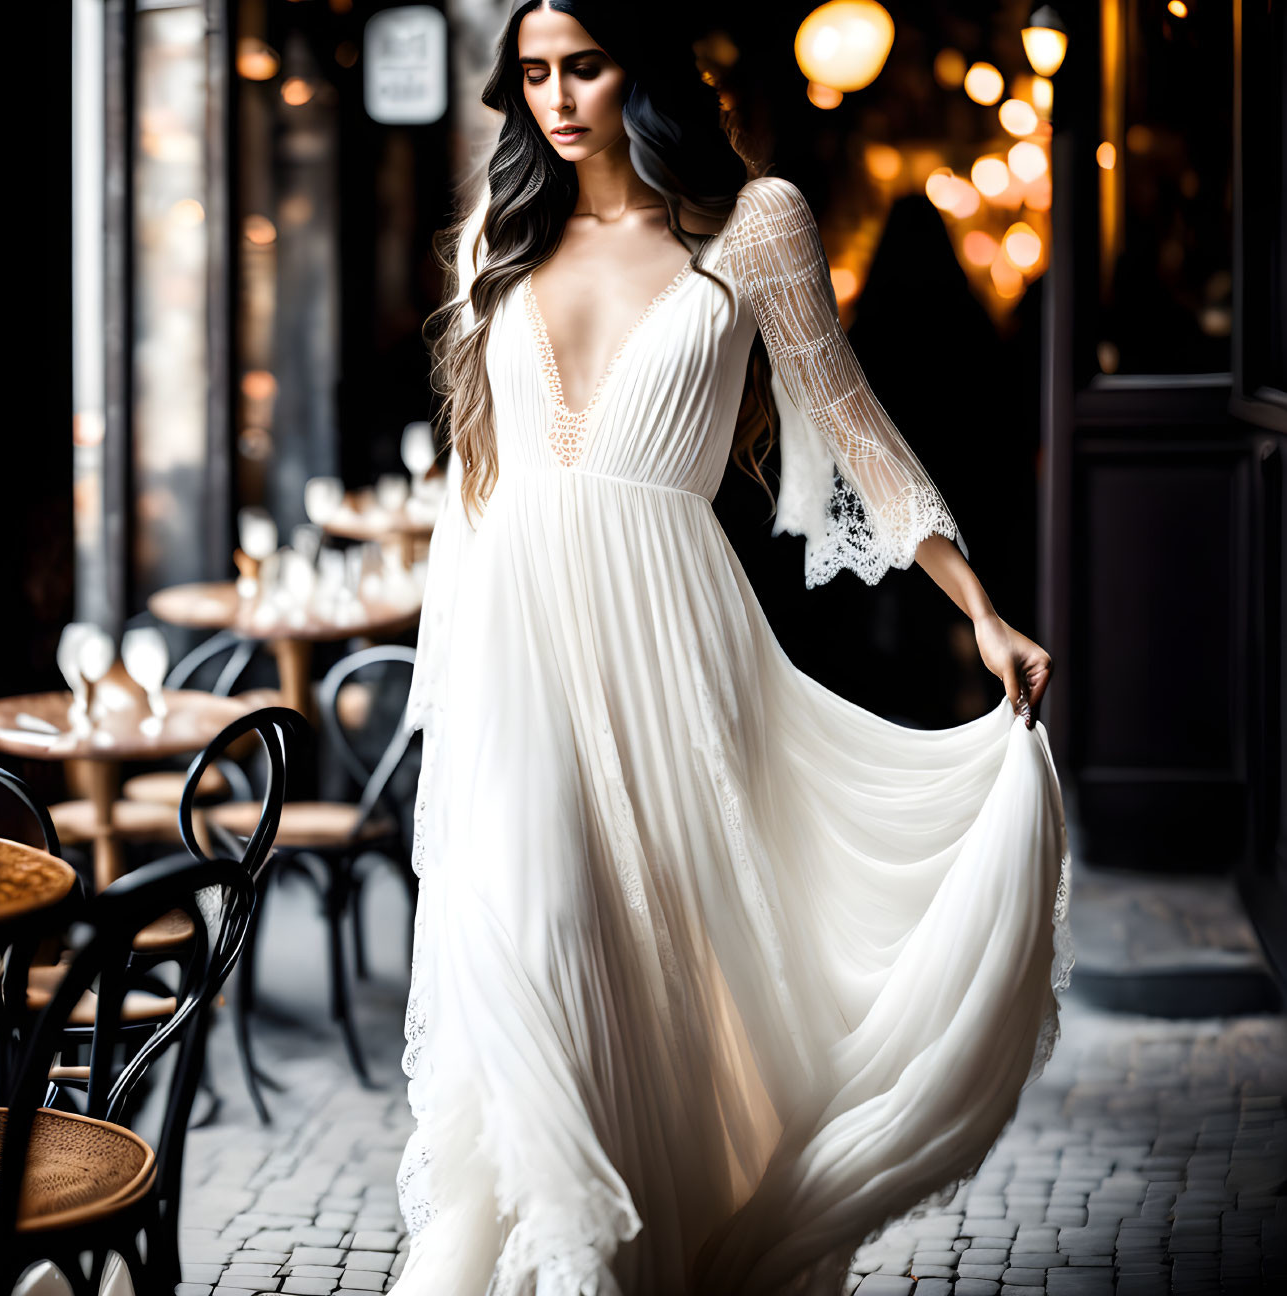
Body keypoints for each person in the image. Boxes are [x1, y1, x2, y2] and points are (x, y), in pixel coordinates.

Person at [393, 3, 1073, 1293]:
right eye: (532, 72)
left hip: (670, 647)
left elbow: (854, 424)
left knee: (663, 971)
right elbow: (471, 489)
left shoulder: (753, 225)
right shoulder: (496, 234)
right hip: (518, 656)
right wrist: (457, 693)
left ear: (639, 64)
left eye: (583, 65)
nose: (556, 97)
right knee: (537, 944)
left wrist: (979, 610)